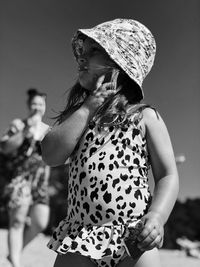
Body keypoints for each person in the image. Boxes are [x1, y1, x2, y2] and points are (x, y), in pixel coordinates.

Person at [41, 18, 179, 267]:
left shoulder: (145, 117)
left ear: (122, 64)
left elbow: (168, 175)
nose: (82, 57)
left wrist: (157, 216)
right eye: (83, 51)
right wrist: (86, 110)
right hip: (80, 234)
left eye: (95, 51)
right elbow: (50, 155)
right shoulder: (78, 118)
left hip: (133, 236)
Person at [0, 88, 50, 267]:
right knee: (18, 221)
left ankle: (15, 253)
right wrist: (25, 130)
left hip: (40, 182)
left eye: (41, 104)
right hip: (19, 178)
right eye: (35, 103)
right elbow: (5, 148)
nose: (37, 107)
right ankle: (16, 263)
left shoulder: (48, 130)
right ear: (29, 106)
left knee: (40, 221)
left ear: (44, 107)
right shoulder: (18, 124)